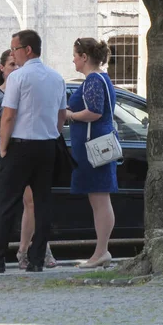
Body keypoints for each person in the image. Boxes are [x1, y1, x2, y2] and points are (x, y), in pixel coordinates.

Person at [0, 30, 66, 274]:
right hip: (47, 146)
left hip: (20, 146)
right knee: (43, 203)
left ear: (27, 50)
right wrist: (52, 134)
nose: (12, 52)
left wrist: (4, 147)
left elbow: (8, 116)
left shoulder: (18, 78)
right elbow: (61, 116)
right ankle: (36, 259)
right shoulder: (57, 78)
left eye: (14, 48)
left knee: (6, 204)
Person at [65, 38, 118, 268]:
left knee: (99, 199)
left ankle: (101, 251)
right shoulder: (100, 79)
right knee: (99, 199)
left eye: (76, 55)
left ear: (85, 57)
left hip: (93, 147)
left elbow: (94, 112)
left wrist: (71, 115)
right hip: (97, 145)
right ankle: (101, 251)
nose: (74, 59)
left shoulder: (94, 80)